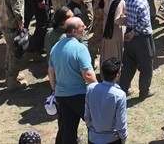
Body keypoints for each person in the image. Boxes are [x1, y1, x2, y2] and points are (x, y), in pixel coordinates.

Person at [47, 16, 97, 144]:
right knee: (95, 125)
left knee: (68, 129)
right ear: (74, 31)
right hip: (79, 95)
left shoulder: (56, 47)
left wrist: (54, 90)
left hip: (61, 96)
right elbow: (88, 75)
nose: (85, 27)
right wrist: (98, 89)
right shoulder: (80, 49)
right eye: (82, 26)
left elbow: (50, 72)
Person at [84, 57, 128, 144]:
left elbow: (87, 115)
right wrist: (123, 138)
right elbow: (120, 124)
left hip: (93, 138)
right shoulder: (120, 95)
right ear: (117, 75)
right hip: (112, 140)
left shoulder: (90, 88)